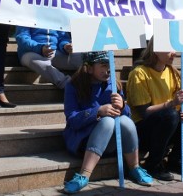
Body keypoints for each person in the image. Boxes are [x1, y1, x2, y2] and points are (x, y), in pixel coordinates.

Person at [62, 51, 153, 194]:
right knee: (107, 122)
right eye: (104, 65)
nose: (109, 69)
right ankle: (84, 175)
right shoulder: (73, 85)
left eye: (110, 64)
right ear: (89, 68)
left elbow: (126, 113)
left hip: (110, 144)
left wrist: (123, 106)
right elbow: (72, 120)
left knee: (125, 121)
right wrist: (97, 111)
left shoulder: (113, 84)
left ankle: (134, 167)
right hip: (83, 141)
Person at [126, 37, 183, 180]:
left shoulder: (172, 72)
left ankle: (176, 160)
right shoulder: (139, 73)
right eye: (169, 49)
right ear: (156, 50)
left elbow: (177, 105)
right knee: (170, 115)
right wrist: (171, 104)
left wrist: (182, 111)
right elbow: (145, 113)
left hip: (167, 123)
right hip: (142, 131)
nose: (174, 53)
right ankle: (153, 164)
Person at [15, 26, 82, 89]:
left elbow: (63, 37)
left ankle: (90, 83)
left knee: (81, 58)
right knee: (37, 61)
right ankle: (70, 86)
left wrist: (65, 46)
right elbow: (22, 38)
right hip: (30, 52)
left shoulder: (56, 16)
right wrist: (40, 48)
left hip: (54, 52)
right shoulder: (26, 15)